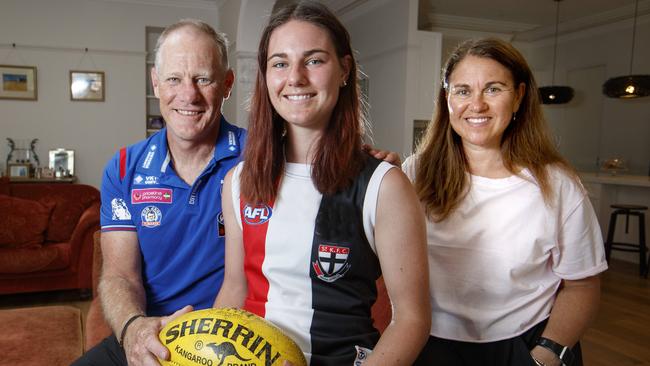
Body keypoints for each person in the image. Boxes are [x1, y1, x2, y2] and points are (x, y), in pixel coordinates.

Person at [214, 2, 430, 365]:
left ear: (345, 70)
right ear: (266, 77)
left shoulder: (385, 185)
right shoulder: (238, 181)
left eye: (314, 60)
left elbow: (412, 319)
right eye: (280, 63)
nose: (295, 77)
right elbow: (236, 288)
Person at [402, 38, 608, 366]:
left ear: (519, 97)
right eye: (463, 90)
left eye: (494, 89)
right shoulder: (414, 173)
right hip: (430, 342)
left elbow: (582, 286)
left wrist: (546, 354)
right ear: (447, 99)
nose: (477, 105)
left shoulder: (557, 184)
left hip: (526, 344)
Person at [73, 19, 244, 365]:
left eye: (203, 78)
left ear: (226, 84)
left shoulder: (263, 157)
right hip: (152, 334)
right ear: (155, 82)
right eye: (174, 79)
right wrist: (134, 328)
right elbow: (120, 275)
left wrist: (375, 165)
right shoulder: (123, 168)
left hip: (229, 341)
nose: (188, 95)